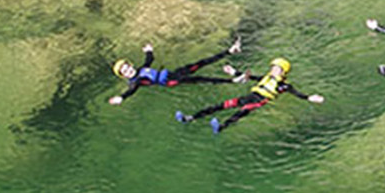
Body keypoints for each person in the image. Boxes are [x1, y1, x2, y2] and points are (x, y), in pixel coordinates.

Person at [174, 57, 325, 134]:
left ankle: (220, 127)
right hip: (250, 95)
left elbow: (296, 93)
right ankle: (191, 118)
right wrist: (233, 72)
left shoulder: (283, 85)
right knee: (221, 105)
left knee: (240, 112)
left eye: (277, 69)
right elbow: (250, 78)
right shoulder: (266, 77)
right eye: (273, 67)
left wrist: (308, 98)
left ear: (283, 72)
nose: (273, 70)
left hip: (259, 101)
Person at [108, 37, 245, 105]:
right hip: (172, 80)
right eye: (125, 72)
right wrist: (122, 97)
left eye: (128, 67)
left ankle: (230, 51)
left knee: (201, 63)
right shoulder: (136, 81)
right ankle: (234, 80)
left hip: (174, 73)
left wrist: (149, 51)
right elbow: (131, 90)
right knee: (201, 78)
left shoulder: (141, 70)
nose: (128, 71)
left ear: (131, 65)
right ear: (124, 76)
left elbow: (149, 60)